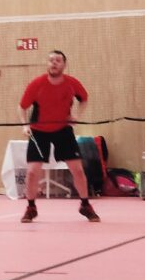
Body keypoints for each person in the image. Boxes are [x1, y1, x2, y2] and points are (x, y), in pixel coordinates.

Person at [17, 50, 100, 223]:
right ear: (47, 64)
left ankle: (85, 205)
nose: (54, 63)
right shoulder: (37, 84)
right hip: (38, 130)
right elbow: (22, 106)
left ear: (64, 64)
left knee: (77, 169)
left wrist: (77, 116)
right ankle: (31, 207)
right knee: (32, 172)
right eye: (51, 60)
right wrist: (25, 125)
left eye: (58, 60)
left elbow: (83, 98)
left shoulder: (71, 83)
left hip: (63, 129)